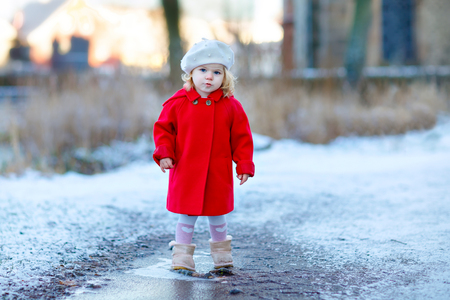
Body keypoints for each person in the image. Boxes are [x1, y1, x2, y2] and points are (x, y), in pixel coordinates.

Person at [153, 39, 255, 272]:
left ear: (224, 77)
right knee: (187, 214)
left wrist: (244, 163)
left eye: (216, 72)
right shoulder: (177, 103)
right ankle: (182, 257)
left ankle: (222, 256)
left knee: (217, 215)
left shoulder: (231, 106)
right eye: (203, 70)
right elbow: (163, 130)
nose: (209, 77)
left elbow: (242, 137)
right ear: (191, 73)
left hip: (217, 172)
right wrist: (165, 153)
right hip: (187, 169)